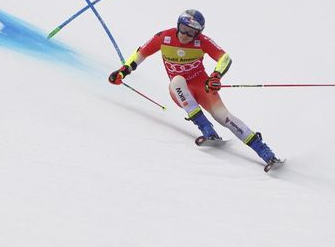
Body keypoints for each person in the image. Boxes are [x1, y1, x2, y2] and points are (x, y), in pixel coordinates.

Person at [108, 9, 280, 166]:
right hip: (181, 90)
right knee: (176, 81)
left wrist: (215, 76)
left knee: (224, 117)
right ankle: (207, 129)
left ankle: (266, 153)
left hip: (202, 86)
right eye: (183, 28)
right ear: (178, 25)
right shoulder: (164, 37)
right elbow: (141, 54)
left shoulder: (202, 42)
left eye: (192, 32)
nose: (185, 35)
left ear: (198, 32)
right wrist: (123, 72)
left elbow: (224, 58)